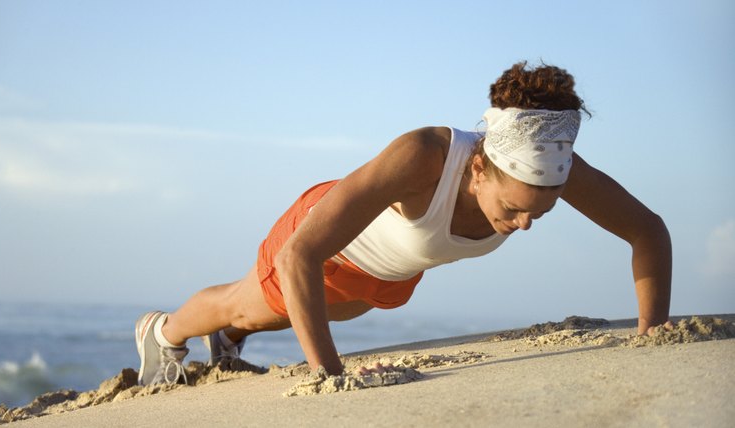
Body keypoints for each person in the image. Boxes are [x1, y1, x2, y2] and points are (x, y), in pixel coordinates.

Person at [134, 62, 672, 385]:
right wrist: (330, 378)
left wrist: (652, 333)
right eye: (513, 210)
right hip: (324, 241)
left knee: (313, 313)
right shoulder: (423, 156)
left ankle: (228, 339)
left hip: (389, 274)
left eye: (541, 211)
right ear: (479, 168)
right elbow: (299, 256)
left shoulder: (550, 169)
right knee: (247, 301)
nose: (525, 224)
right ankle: (164, 333)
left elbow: (647, 231)